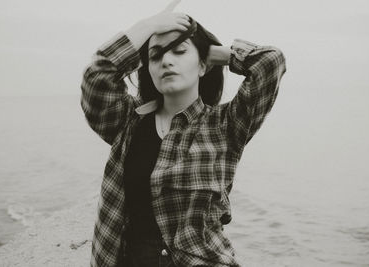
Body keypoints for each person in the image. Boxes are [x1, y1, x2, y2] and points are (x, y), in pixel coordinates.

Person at [80, 1, 286, 266]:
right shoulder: (127, 122)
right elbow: (97, 76)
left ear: (203, 66)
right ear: (149, 70)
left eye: (178, 51)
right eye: (155, 56)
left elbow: (270, 62)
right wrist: (148, 26)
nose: (166, 60)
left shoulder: (225, 125)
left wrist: (211, 53)